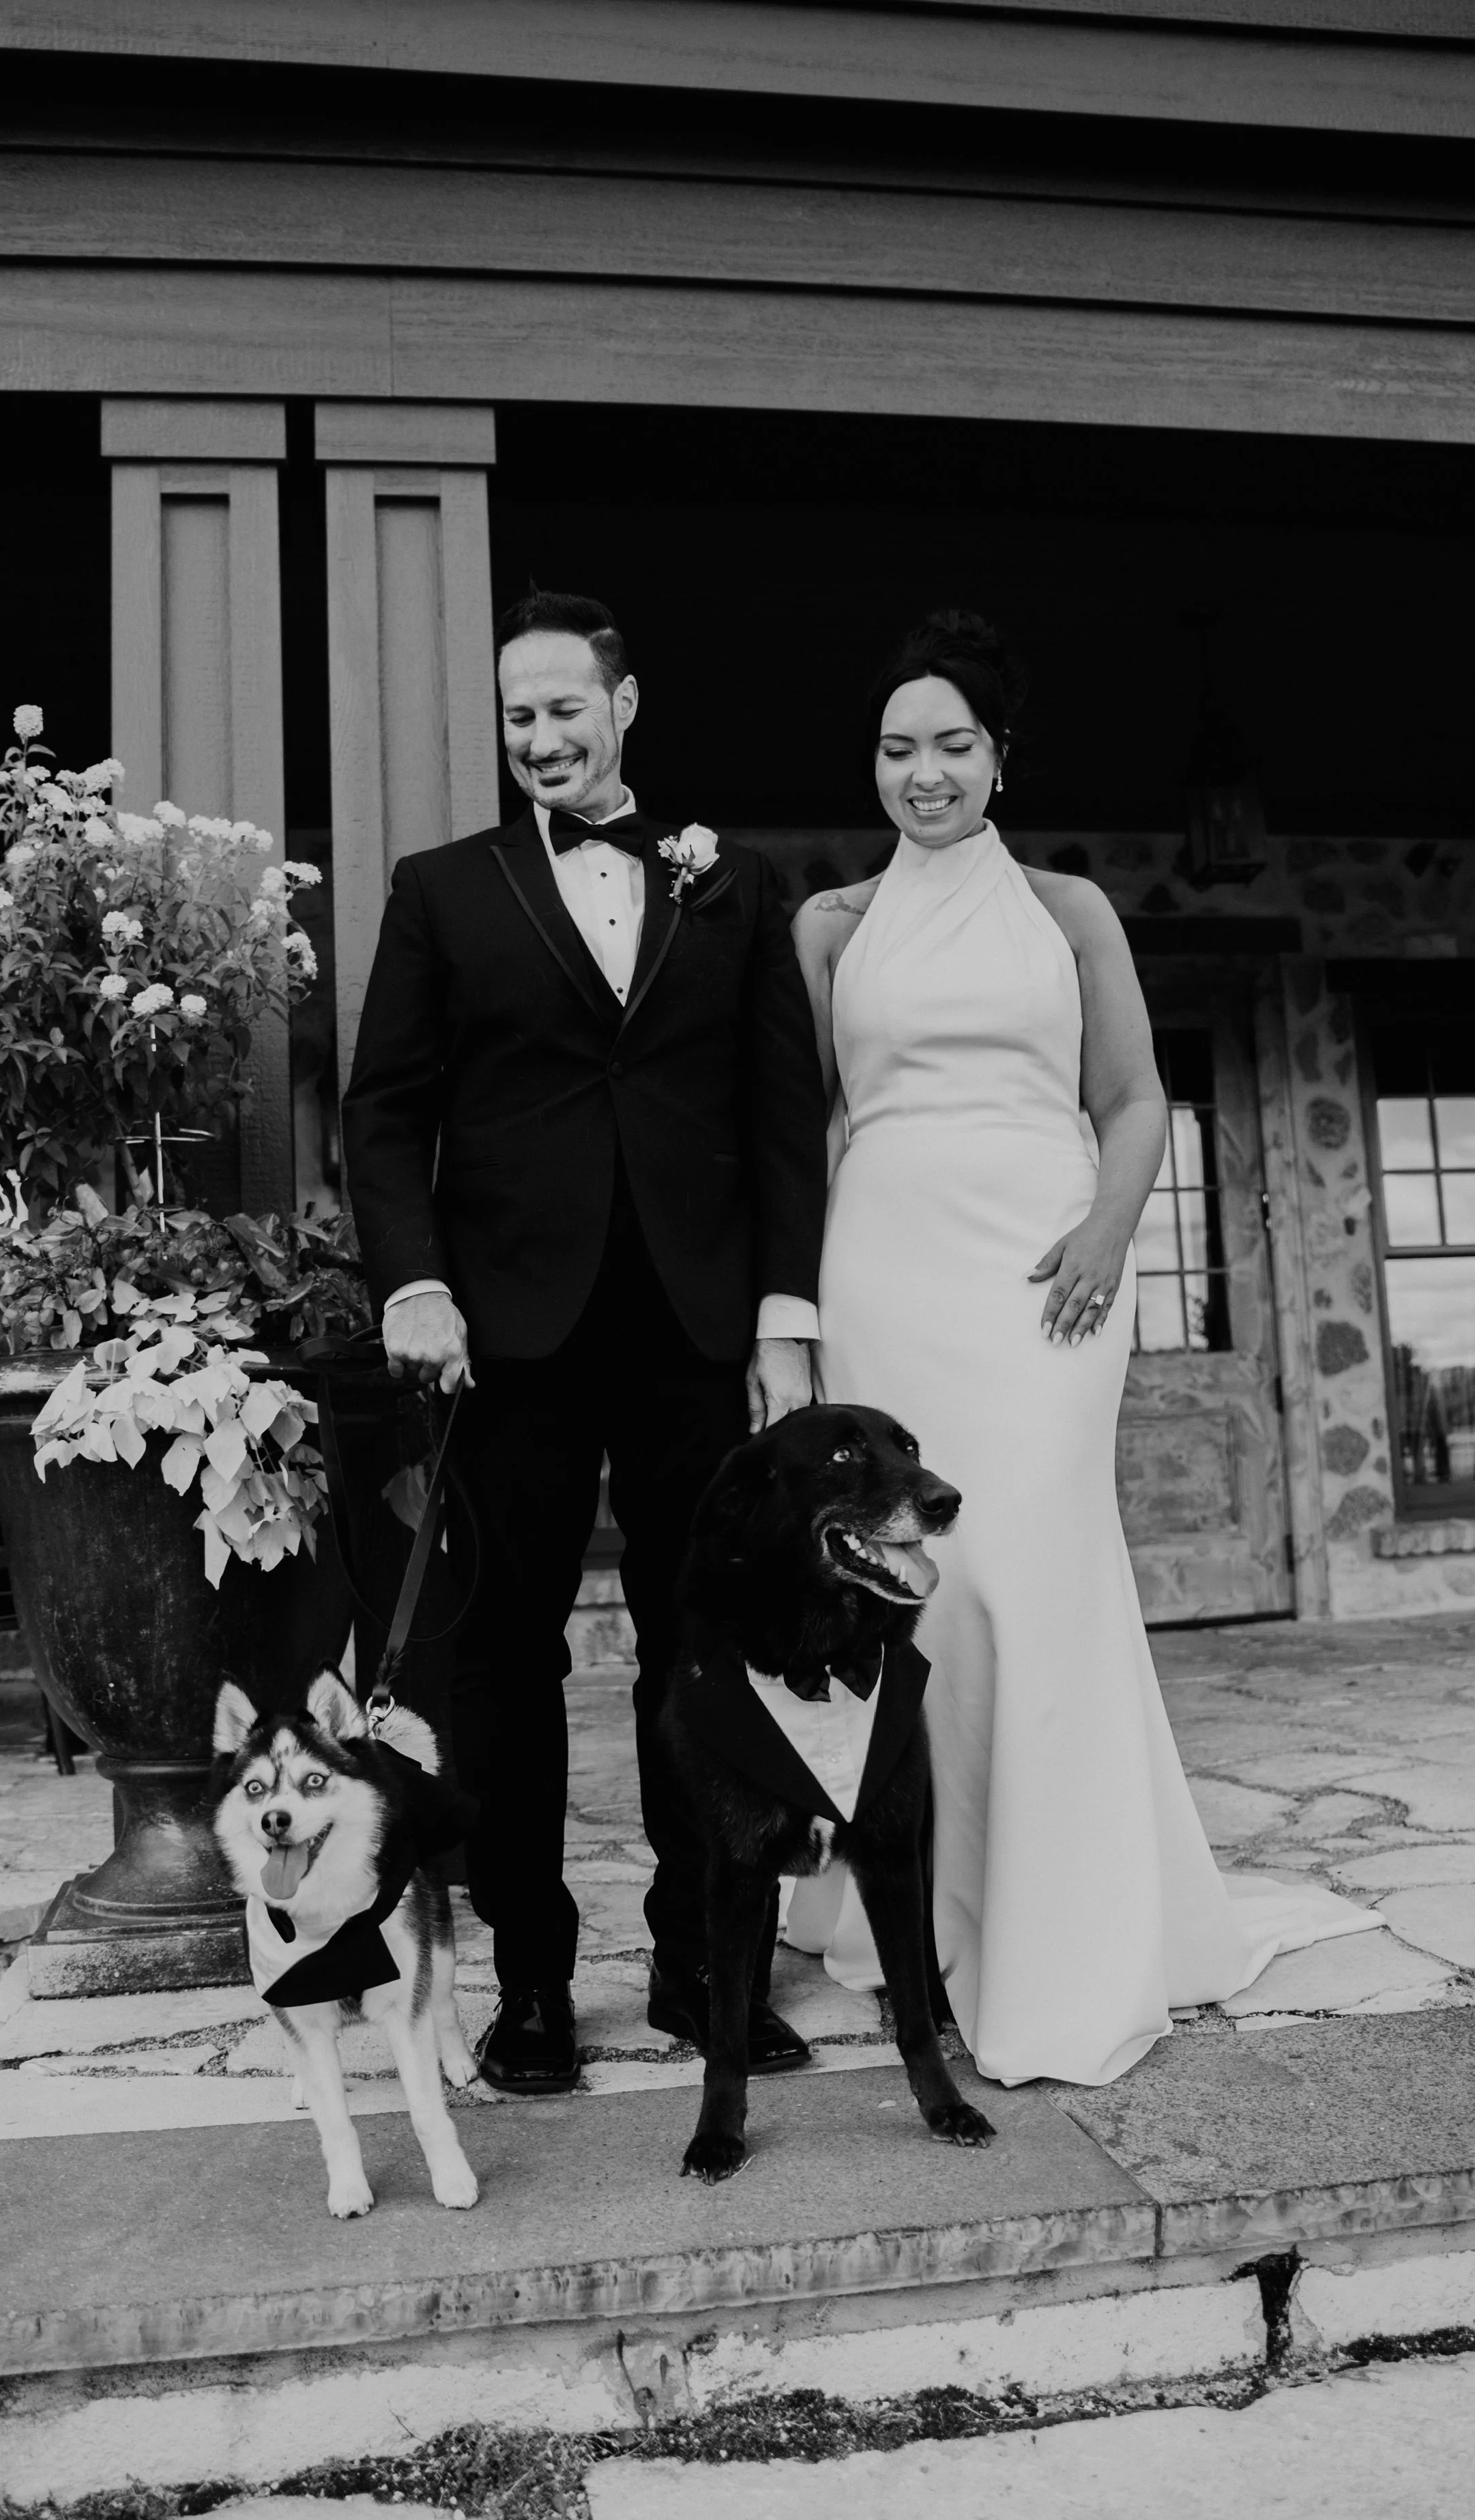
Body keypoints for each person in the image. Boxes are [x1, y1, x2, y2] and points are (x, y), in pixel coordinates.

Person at [787, 609, 1377, 2088]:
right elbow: (811, 1123)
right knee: (917, 1587)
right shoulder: (828, 928)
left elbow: (1128, 1097)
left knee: (1031, 1563)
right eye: (895, 747)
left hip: (1046, 1268)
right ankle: (918, 1907)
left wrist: (1110, 1238)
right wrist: (792, 1315)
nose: (922, 772)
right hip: (886, 1258)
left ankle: (1059, 1944)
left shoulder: (1066, 911)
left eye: (950, 745)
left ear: (998, 758)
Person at [342, 589, 830, 2093]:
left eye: (562, 706)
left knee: (704, 1652)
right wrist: (413, 1282)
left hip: (692, 1328)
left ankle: (702, 1965)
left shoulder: (730, 887)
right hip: (512, 1333)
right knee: (504, 1652)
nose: (537, 736)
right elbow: (382, 1111)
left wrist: (785, 1318)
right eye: (514, 715)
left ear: (625, 705)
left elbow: (774, 1118)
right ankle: (536, 1980)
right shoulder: (441, 888)